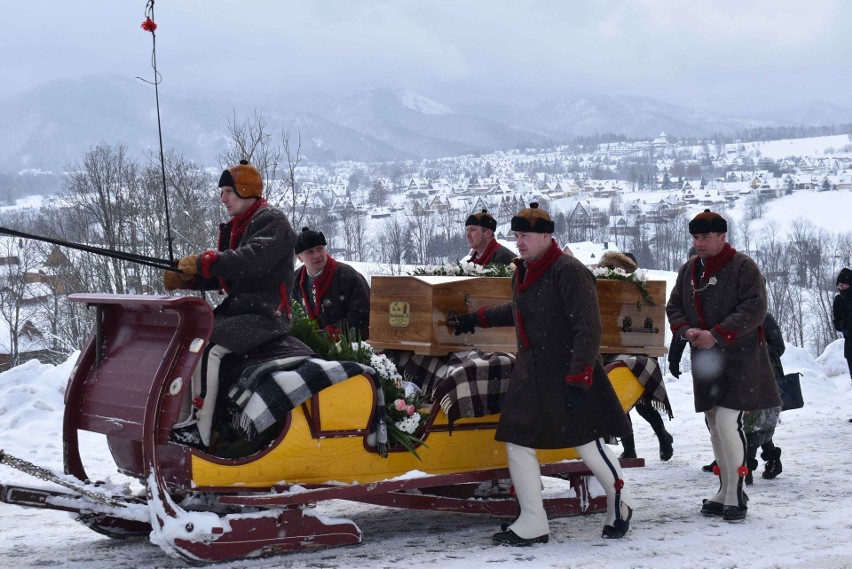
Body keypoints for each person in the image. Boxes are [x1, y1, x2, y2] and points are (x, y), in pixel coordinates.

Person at [454, 202, 633, 546]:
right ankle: (534, 521)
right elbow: (521, 309)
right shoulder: (524, 269)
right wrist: (477, 318)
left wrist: (579, 379)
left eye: (525, 236)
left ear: (547, 237)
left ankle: (619, 504)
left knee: (589, 444)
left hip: (569, 373)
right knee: (517, 441)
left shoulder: (569, 271)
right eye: (517, 236)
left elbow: (589, 329)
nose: (518, 242)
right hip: (532, 373)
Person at [164, 159, 297, 449]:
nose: (222, 198)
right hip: (240, 314)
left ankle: (198, 430)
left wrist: (205, 262)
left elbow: (250, 261)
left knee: (207, 345)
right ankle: (181, 420)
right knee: (190, 339)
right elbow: (228, 277)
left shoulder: (272, 221)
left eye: (228, 191)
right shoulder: (239, 226)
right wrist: (188, 279)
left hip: (265, 316)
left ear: (246, 190)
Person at [666, 209, 781, 522]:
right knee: (715, 424)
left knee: (730, 421)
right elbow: (674, 306)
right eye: (696, 237)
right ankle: (724, 487)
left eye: (705, 237)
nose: (699, 243)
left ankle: (737, 492)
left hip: (741, 360)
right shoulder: (689, 269)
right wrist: (685, 330)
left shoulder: (744, 267)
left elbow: (754, 308)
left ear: (721, 236)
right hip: (707, 362)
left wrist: (717, 334)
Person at [598, 251, 675, 462]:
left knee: (643, 405)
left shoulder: (640, 293)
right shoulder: (601, 293)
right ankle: (630, 449)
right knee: (620, 403)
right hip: (611, 354)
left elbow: (651, 322)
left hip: (638, 353)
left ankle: (662, 435)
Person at [291, 227, 371, 340]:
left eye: (320, 249)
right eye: (310, 252)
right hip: (311, 347)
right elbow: (292, 316)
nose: (317, 255)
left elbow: (362, 316)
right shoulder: (296, 280)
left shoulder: (347, 275)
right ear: (300, 258)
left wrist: (330, 334)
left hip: (350, 347)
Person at [833, 268, 852, 399]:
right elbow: (837, 323)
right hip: (850, 342)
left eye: (843, 284)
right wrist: (845, 323)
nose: (841, 287)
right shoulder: (838, 300)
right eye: (839, 285)